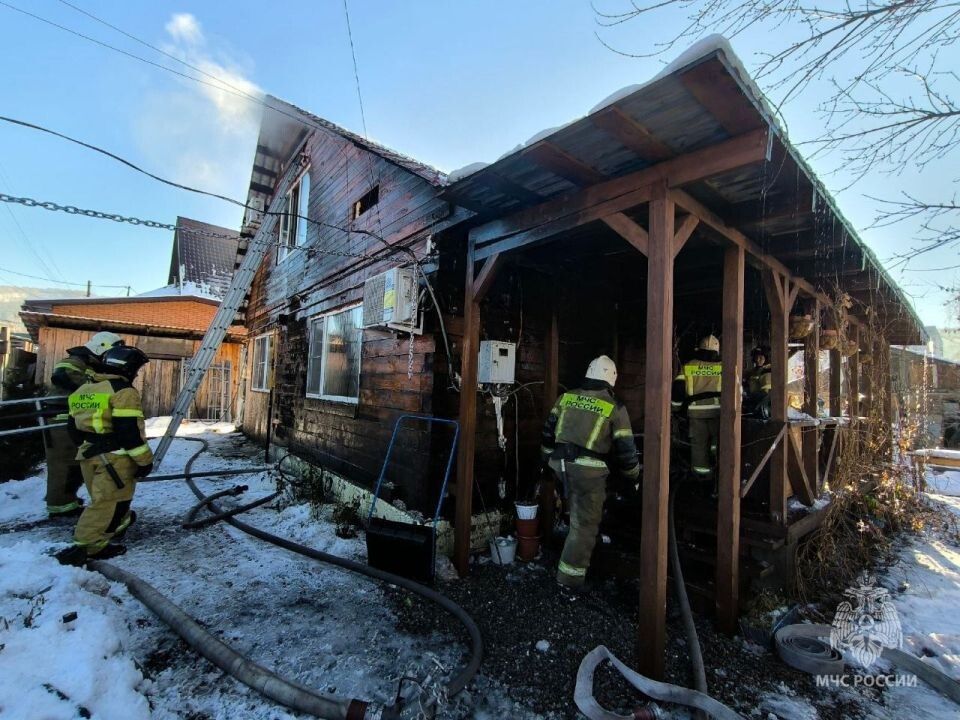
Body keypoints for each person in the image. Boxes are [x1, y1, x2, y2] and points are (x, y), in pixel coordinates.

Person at [541, 355, 640, 589]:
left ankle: (587, 552)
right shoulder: (615, 407)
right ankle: (569, 581)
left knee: (579, 514)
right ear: (611, 379)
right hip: (589, 474)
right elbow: (626, 450)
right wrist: (634, 477)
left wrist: (545, 461)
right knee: (584, 526)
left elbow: (548, 433)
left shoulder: (566, 397)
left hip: (560, 466)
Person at [56, 345, 153, 565]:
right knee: (107, 502)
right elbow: (129, 432)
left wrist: (91, 445)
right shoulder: (123, 392)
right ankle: (88, 545)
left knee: (103, 499)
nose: (136, 374)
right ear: (127, 368)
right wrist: (144, 461)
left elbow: (73, 429)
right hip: (114, 459)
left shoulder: (83, 391)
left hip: (88, 455)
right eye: (135, 370)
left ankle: (117, 524)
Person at [43, 331, 123, 517]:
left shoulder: (90, 363)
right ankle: (60, 507)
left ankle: (66, 501)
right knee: (64, 464)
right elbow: (61, 376)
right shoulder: (74, 361)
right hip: (60, 419)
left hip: (72, 419)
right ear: (101, 347)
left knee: (75, 463)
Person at [672, 335, 722, 479]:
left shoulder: (689, 366)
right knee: (719, 444)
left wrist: (675, 409)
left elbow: (678, 391)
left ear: (699, 349)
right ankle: (720, 476)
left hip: (696, 416)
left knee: (699, 447)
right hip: (718, 414)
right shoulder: (724, 367)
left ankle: (702, 477)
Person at [743, 345, 772, 418]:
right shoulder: (752, 371)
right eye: (756, 357)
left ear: (766, 359)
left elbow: (765, 393)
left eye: (761, 358)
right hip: (752, 402)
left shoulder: (767, 371)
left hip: (761, 405)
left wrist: (748, 397)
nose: (757, 360)